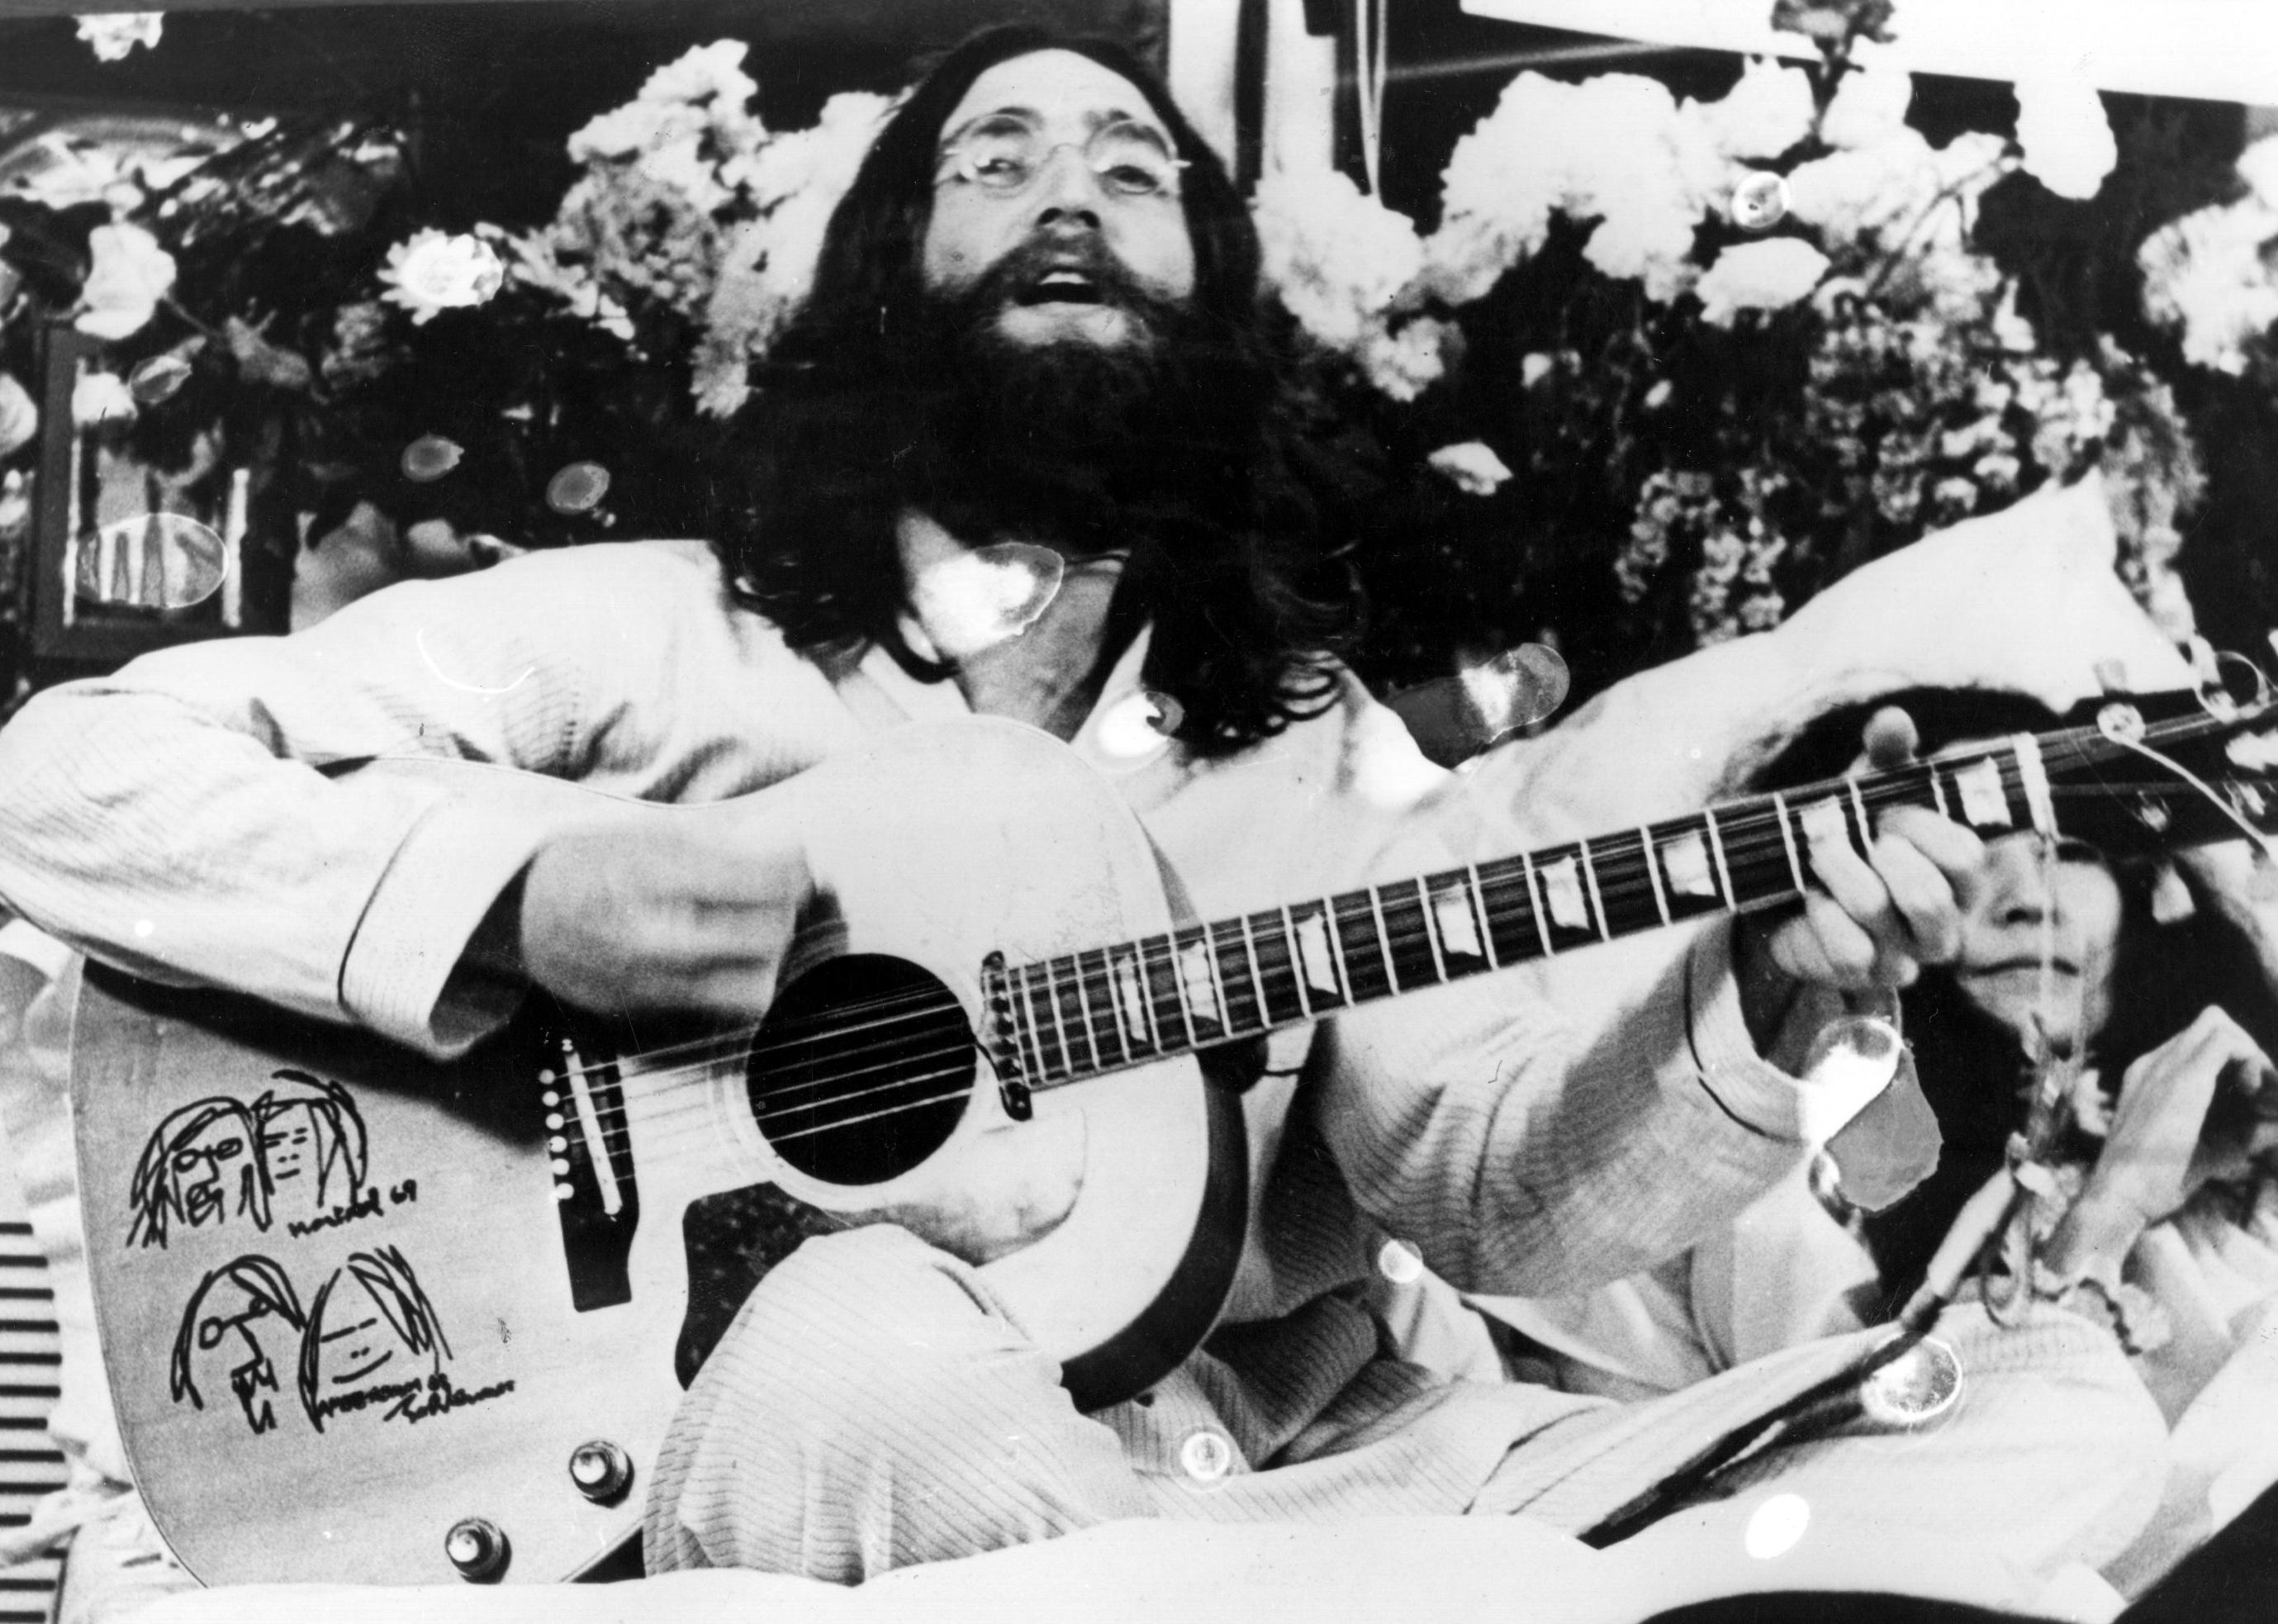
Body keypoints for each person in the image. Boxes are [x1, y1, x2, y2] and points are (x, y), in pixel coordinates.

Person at [0, 22, 2181, 1608]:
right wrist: (513, 887)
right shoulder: (656, 638)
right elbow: (66, 771)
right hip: (845, 1418)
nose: (1071, 189)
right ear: (884, 282)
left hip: (1290, 1463)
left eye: (1131, 169)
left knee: (2033, 1426)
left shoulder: (1323, 753)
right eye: (1000, 156)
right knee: (883, 1348)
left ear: (1214, 312)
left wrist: (1768, 988)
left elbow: (1487, 1194)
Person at [1482, 687, 2278, 1594]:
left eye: (2074, 850)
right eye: (1974, 848)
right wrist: (2103, 1220)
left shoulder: (2209, 1188)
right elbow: (1922, 1441)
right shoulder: (1782, 1130)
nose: (2026, 902)